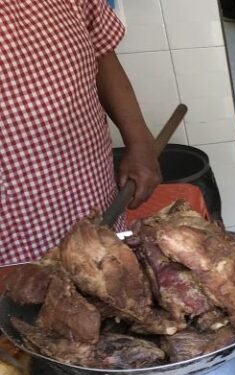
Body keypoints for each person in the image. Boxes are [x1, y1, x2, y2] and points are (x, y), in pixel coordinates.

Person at [0, 0, 160, 268]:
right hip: (11, 228)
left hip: (86, 191)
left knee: (111, 286)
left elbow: (103, 55)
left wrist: (140, 142)